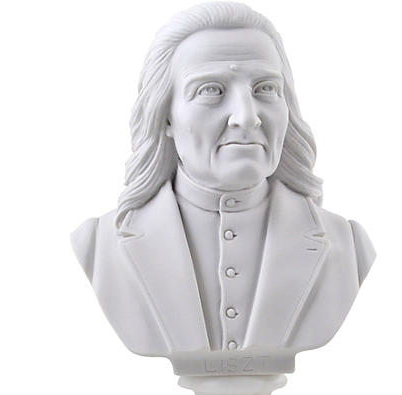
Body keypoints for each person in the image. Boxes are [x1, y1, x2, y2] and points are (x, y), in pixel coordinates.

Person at [71, 2, 375, 374]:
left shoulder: (349, 245)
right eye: (210, 90)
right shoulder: (98, 245)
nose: (247, 117)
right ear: (165, 116)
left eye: (265, 88)